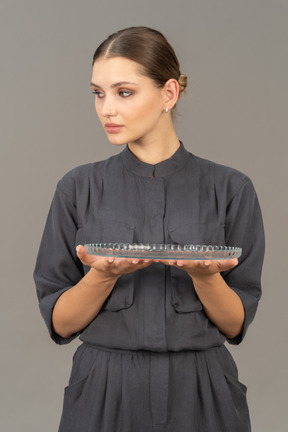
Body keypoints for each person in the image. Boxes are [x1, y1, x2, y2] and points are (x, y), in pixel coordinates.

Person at [34, 26, 265, 432]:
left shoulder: (231, 188)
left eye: (124, 92)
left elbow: (234, 325)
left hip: (202, 389)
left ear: (169, 94)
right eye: (98, 93)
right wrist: (101, 277)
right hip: (104, 391)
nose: (106, 109)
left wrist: (205, 276)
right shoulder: (77, 188)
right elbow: (61, 324)